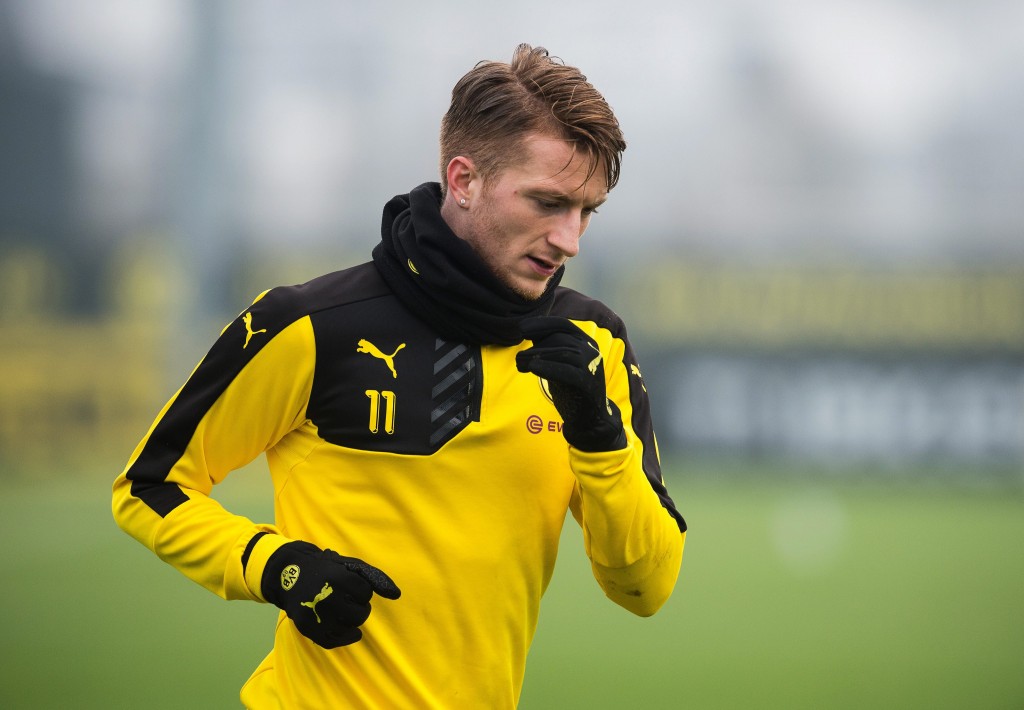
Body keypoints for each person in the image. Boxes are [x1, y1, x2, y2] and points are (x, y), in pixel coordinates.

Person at [112, 43, 687, 709]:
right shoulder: (310, 325)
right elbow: (149, 487)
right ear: (464, 180)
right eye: (547, 202)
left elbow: (646, 589)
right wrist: (274, 566)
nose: (570, 240)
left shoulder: (592, 343)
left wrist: (599, 438)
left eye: (587, 211)